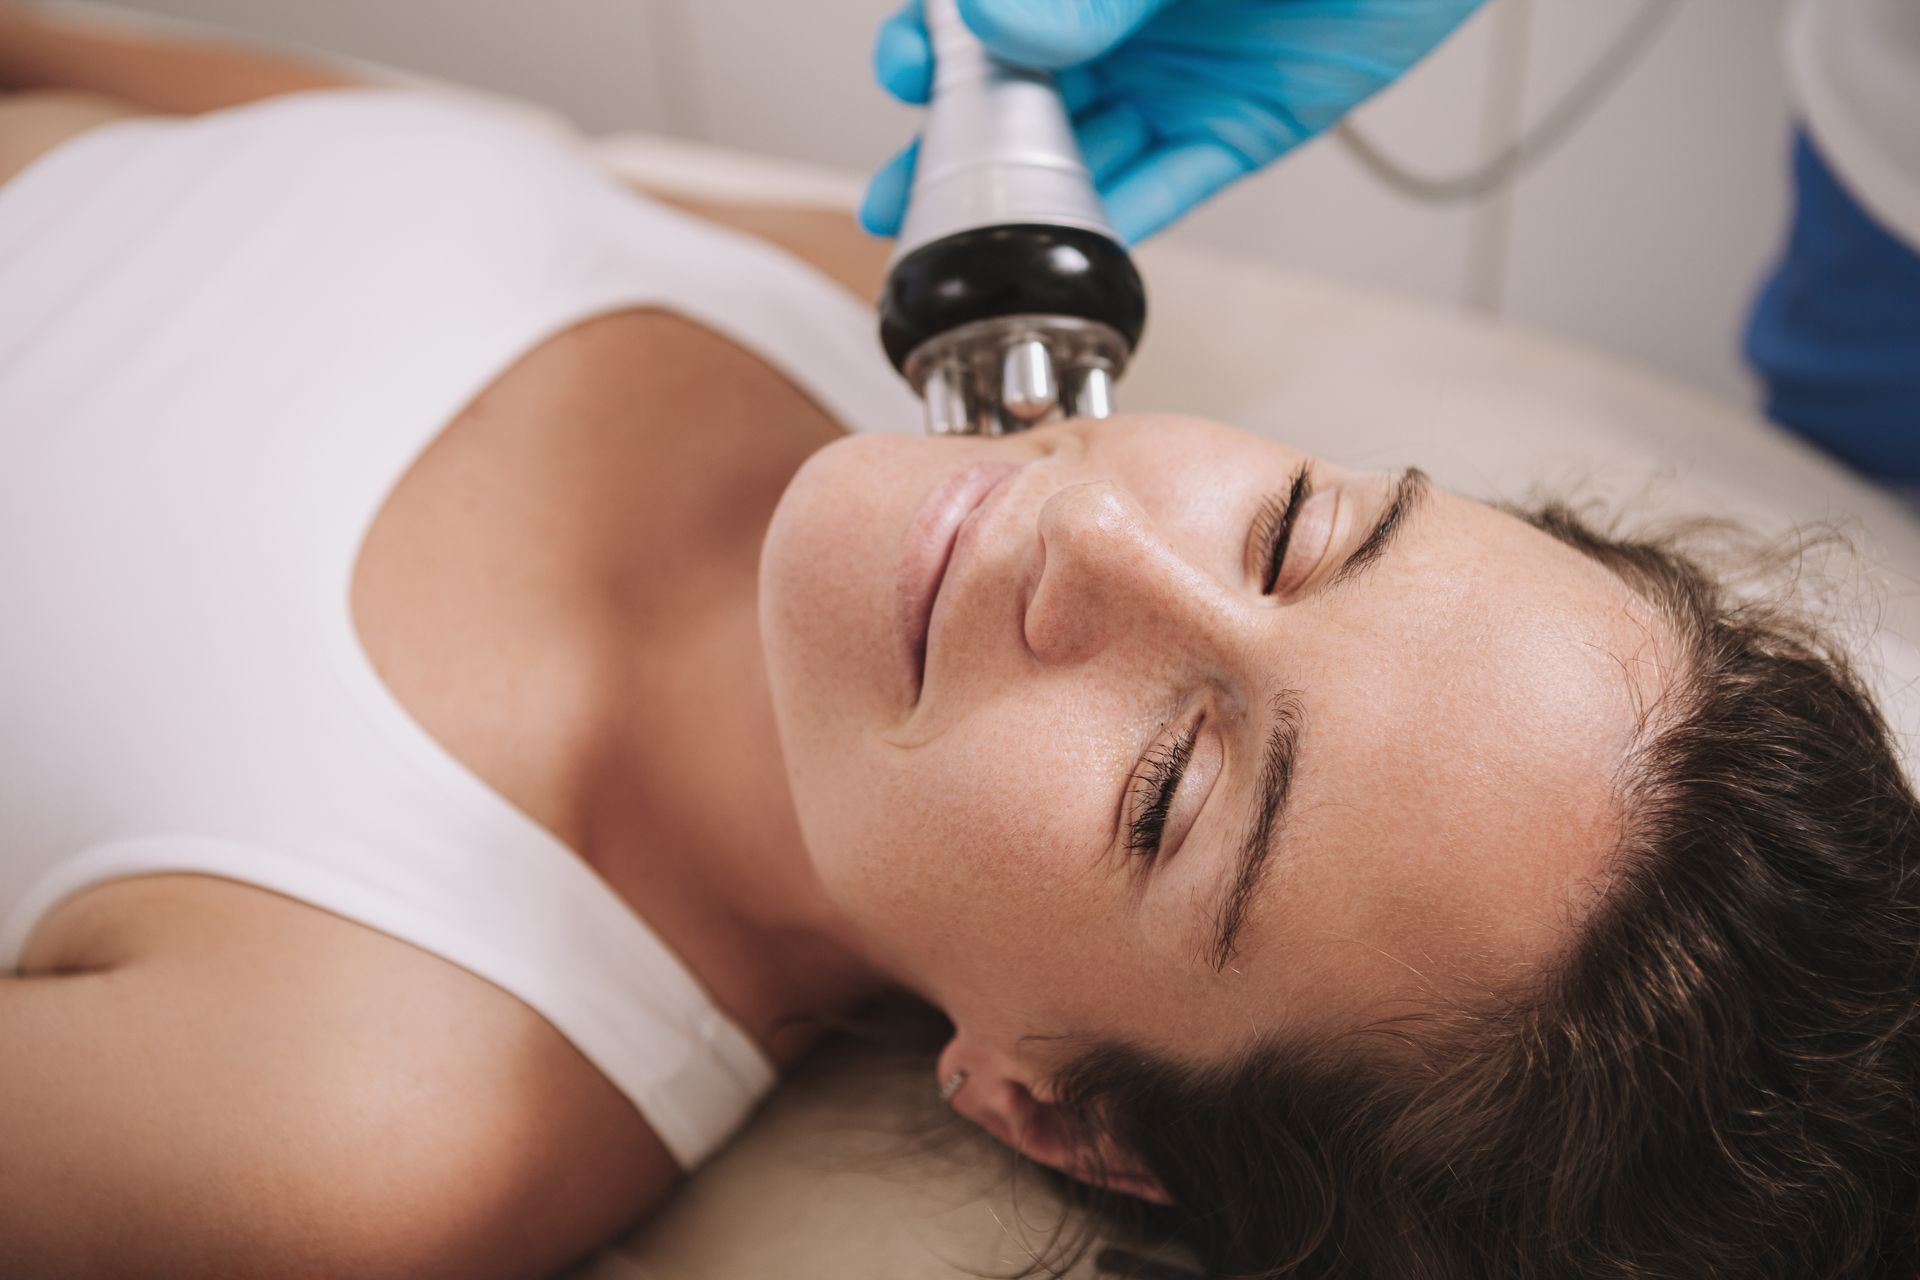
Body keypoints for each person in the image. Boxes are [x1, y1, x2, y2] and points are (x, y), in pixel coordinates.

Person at [0, 9, 1913, 1280]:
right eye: (1297, 529)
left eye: (1169, 793)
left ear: (1059, 1111)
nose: (1091, 530)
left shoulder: (358, 1106)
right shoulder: (840, 301)